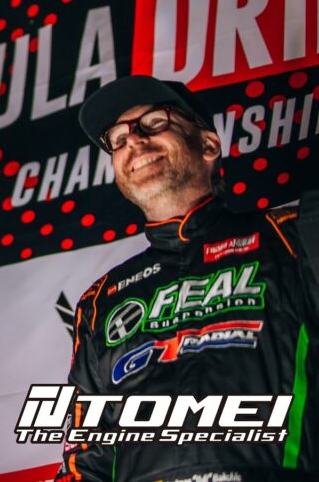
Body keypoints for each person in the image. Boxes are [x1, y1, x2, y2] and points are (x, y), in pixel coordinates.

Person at [55, 75, 318, 482]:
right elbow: (83, 460)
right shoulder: (101, 301)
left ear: (209, 145)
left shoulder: (294, 235)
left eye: (154, 122)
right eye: (118, 139)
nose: (134, 141)